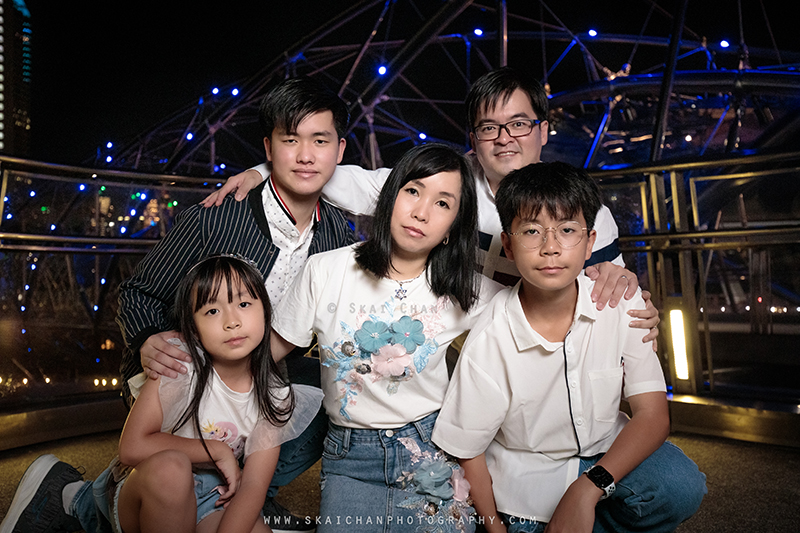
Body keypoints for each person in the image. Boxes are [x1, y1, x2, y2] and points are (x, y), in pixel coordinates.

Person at [203, 67, 654, 322]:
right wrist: (265, 168)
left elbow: (611, 295)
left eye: (519, 124)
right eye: (488, 127)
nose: (505, 139)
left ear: (543, 130)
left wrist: (627, 290)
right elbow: (353, 181)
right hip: (458, 343)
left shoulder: (582, 206)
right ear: (473, 137)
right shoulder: (450, 183)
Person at [115, 76, 355, 530]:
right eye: (291, 140)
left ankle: (252, 491)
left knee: (344, 385)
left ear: (339, 151)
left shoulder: (336, 233)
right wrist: (147, 338)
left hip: (257, 376)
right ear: (268, 147)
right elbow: (138, 292)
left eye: (319, 141)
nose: (305, 155)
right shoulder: (220, 214)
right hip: (185, 375)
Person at [431, 162, 706, 533]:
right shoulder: (490, 334)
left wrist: (587, 489)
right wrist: (495, 530)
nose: (550, 248)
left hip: (603, 456)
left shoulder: (623, 304)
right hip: (523, 481)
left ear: (590, 242)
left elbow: (653, 415)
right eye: (532, 231)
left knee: (680, 486)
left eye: (566, 230)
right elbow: (468, 450)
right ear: (508, 245)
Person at [268, 144, 504, 532]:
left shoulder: (463, 289)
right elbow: (263, 358)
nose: (421, 212)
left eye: (443, 203)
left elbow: (542, 304)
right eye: (412, 191)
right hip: (348, 458)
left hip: (431, 452)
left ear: (453, 226)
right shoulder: (326, 271)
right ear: (390, 196)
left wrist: (612, 281)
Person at [1, 255, 323, 533]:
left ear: (265, 313)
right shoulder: (179, 366)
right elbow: (132, 447)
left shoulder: (274, 396)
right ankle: (83, 504)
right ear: (192, 328)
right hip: (149, 486)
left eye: (243, 303)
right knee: (172, 468)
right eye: (212, 311)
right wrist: (217, 450)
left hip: (213, 499)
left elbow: (253, 486)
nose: (232, 321)